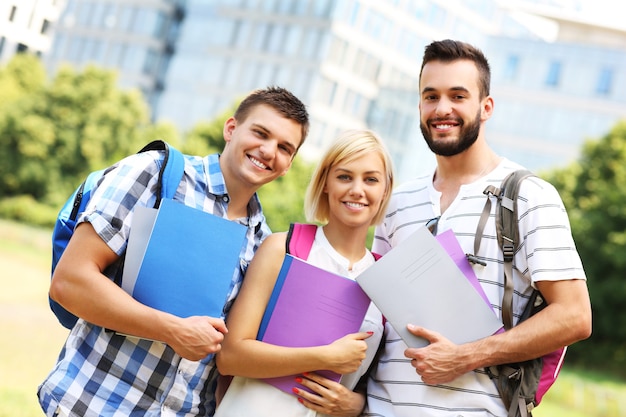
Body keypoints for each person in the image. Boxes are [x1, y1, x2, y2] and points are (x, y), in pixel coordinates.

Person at [37, 86, 310, 417]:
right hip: (94, 405)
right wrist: (173, 330)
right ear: (231, 129)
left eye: (284, 147)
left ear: (288, 164)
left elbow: (228, 360)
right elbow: (70, 282)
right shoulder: (156, 173)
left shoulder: (263, 243)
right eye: (261, 133)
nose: (268, 151)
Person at [362, 39, 592, 416]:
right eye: (431, 96)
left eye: (458, 96)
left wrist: (464, 357)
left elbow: (575, 316)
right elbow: (379, 318)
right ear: (419, 105)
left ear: (486, 107)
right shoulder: (397, 202)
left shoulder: (529, 195)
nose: (442, 109)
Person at [214, 129, 394, 417]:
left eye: (371, 179)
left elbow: (377, 386)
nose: (357, 190)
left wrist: (357, 405)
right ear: (325, 184)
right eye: (344, 176)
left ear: (385, 190)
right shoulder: (282, 249)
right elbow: (230, 356)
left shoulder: (384, 282)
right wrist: (324, 357)